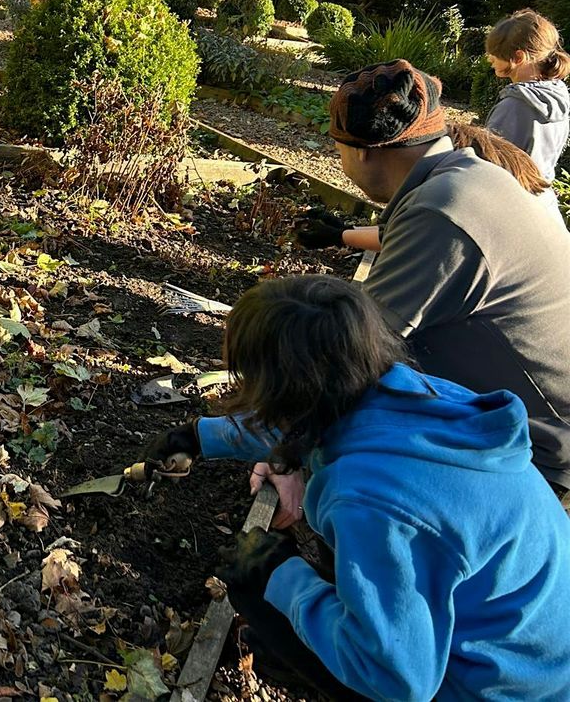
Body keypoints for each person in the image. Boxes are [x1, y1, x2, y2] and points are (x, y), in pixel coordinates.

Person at [145, 275, 570, 701]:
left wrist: (282, 574)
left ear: (281, 391)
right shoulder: (412, 395)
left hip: (498, 688)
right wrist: (200, 436)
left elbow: (399, 681)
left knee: (252, 581)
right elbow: (311, 425)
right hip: (535, 653)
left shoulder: (371, 500)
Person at [293, 60, 570, 512]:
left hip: (540, 458)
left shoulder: (441, 212)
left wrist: (271, 446)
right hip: (534, 423)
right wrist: (340, 234)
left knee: (350, 479)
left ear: (362, 151)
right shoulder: (472, 178)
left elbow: (350, 355)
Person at [295, 121, 557, 253]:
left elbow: (416, 238)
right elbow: (398, 235)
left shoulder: (457, 196)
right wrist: (341, 233)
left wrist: (340, 235)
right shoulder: (500, 179)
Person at [484, 8, 570, 183]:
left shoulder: (515, 106)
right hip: (541, 200)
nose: (490, 60)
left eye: (495, 55)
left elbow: (487, 167)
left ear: (518, 57)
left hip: (510, 200)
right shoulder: (557, 95)